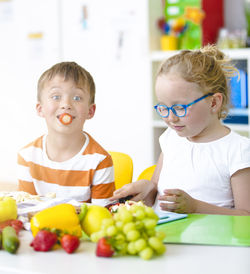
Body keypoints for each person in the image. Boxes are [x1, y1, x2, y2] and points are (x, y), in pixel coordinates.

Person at [111, 45, 250, 215]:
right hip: (166, 237)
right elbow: (156, 186)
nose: (170, 118)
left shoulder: (238, 150)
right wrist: (148, 188)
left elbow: (246, 215)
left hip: (213, 240)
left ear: (213, 103)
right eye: (163, 107)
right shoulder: (171, 138)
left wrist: (196, 208)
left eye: (179, 108)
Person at [17, 62, 115, 206]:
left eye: (77, 98)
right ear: (40, 109)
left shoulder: (100, 161)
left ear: (90, 111)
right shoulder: (27, 156)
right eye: (56, 97)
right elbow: (26, 210)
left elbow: (102, 217)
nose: (66, 104)